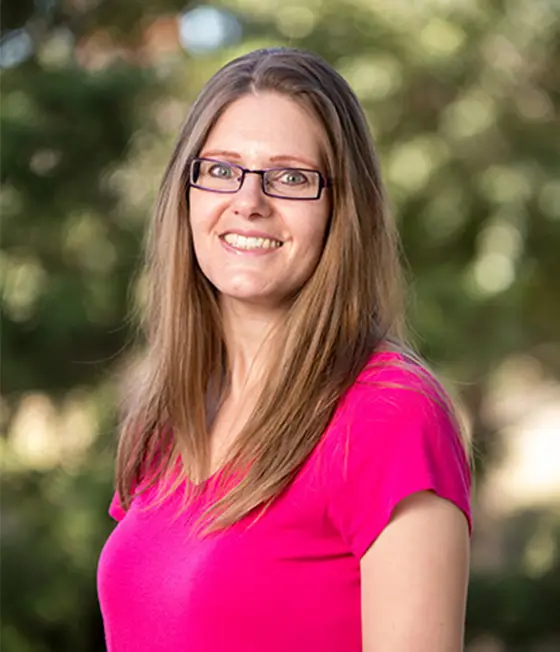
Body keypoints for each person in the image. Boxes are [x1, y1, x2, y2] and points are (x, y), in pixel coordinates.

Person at [97, 47, 472, 652]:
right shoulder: (166, 411)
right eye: (220, 170)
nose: (249, 201)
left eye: (291, 177)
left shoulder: (390, 416)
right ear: (186, 193)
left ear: (342, 210)